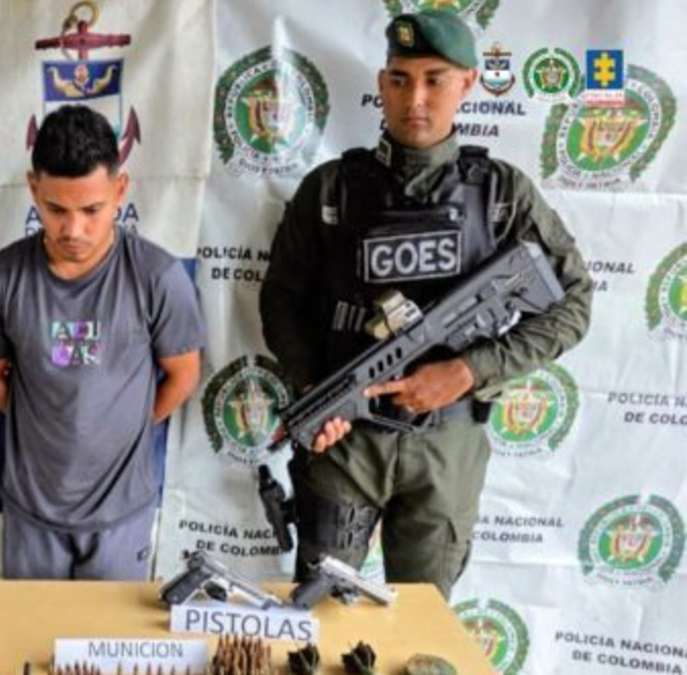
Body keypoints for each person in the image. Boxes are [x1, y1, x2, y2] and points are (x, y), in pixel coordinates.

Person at [259, 11, 592, 597]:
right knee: (319, 613)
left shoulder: (502, 194)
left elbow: (573, 303)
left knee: (424, 623)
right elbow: (281, 301)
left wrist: (469, 370)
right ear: (382, 83)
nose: (414, 98)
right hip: (348, 446)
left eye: (435, 80)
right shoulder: (331, 189)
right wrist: (316, 388)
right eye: (399, 79)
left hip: (446, 447)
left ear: (467, 83)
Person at [0, 105, 205, 580]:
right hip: (31, 513)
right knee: (32, 628)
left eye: (91, 210)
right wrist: (44, 420)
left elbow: (183, 375)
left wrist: (126, 424)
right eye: (56, 209)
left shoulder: (157, 277)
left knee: (111, 630)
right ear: (33, 188)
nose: (73, 230)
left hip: (123, 515)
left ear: (120, 189)